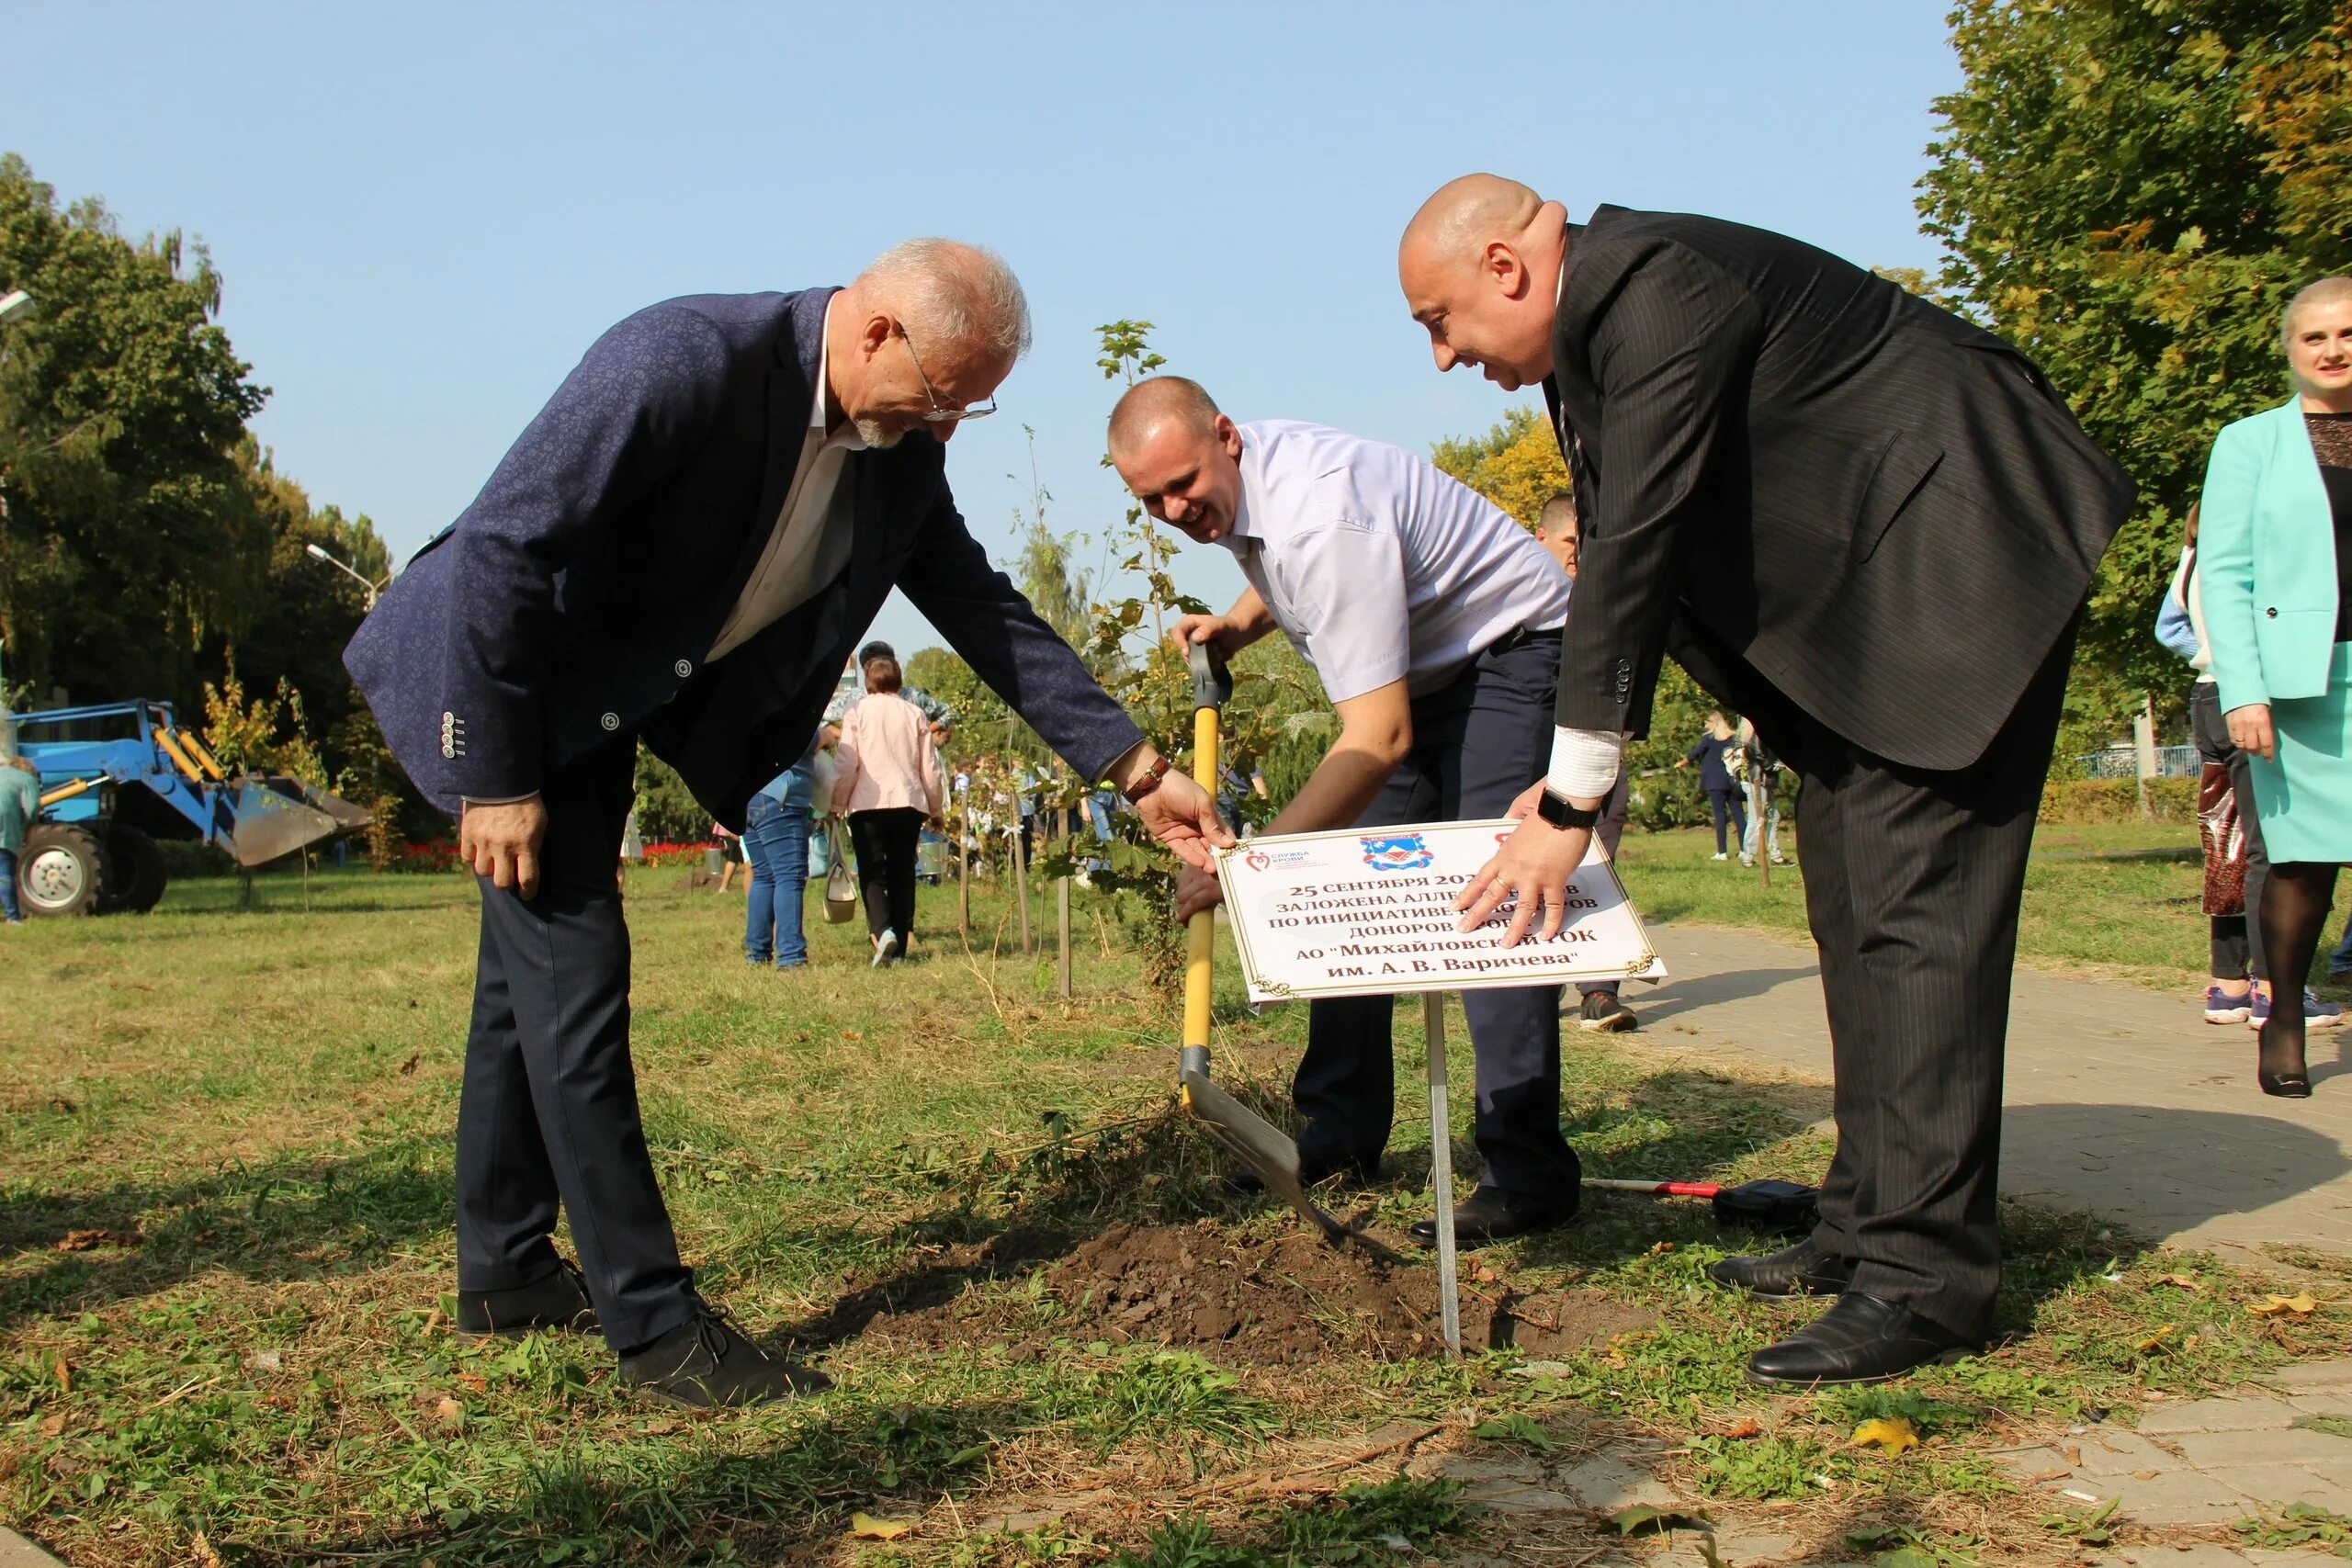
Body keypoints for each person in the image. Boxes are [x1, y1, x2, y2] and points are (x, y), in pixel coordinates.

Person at [344, 239, 1233, 1409]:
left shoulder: (898, 457)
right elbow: (509, 543)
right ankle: (657, 1335)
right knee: (575, 980)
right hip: (495, 682)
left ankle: (505, 1268)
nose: (949, 429)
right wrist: (499, 777)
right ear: (875, 334)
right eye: (942, 398)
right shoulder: (682, 359)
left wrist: (1134, 766)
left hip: (597, 706)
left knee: (525, 995)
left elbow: (983, 612)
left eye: (974, 408)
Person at [1397, 175, 2132, 1384]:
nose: (1439, 356)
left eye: (1440, 318)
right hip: (1874, 624)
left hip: (1959, 573)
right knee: (1855, 906)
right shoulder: (1596, 336)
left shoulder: (1647, 286)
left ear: (1507, 266)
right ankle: (1862, 1220)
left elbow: (1635, 543)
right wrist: (1560, 784)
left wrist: (1576, 800)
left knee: (1915, 919)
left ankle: (1925, 1278)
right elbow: (1636, 557)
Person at [1109, 376, 1584, 1246]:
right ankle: (1341, 1129)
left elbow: (1380, 734)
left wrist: (1250, 871)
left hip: (1510, 651)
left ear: (1226, 436)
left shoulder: (1321, 514)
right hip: (1426, 670)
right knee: (1348, 885)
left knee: (1495, 893)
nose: (1177, 508)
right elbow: (1287, 572)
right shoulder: (1255, 481)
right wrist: (1240, 626)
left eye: (1184, 484)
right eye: (1152, 498)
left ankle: (1527, 1172)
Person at [2200, 276, 2352, 1099]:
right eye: (2315, 337)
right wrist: (2244, 690)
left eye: (2348, 333)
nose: (2333, 350)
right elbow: (2223, 574)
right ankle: (2284, 1016)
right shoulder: (2250, 443)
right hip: (2303, 682)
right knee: (2304, 862)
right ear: (2291, 349)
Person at [1535, 492, 1635, 1032]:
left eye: (1587, 543)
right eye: (1571, 542)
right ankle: (1533, 986)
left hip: (1600, 759)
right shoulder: (1519, 602)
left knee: (1598, 864)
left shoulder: (1608, 601)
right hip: (1530, 756)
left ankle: (1599, 990)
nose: (1579, 555)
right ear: (1542, 540)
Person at [831, 654, 943, 964]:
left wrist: (836, 804)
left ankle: (883, 932)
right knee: (902, 872)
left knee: (872, 871)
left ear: (868, 682)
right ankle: (902, 949)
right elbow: (929, 767)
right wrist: (936, 809)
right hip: (908, 803)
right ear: (898, 680)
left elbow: (847, 763)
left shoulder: (857, 711)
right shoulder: (915, 713)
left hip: (868, 804)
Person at [742, 735, 820, 969]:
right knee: (790, 876)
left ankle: (757, 953)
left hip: (747, 797)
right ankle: (791, 955)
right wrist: (822, 736)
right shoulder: (787, 704)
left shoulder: (741, 703)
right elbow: (802, 736)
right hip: (780, 797)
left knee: (764, 876)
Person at [822, 639, 953, 746]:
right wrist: (848, 738)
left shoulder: (911, 696)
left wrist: (921, 734)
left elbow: (949, 713)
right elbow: (820, 718)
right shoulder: (855, 698)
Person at [1677, 712, 1747, 861]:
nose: (1705, 726)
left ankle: (1722, 852)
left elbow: (1694, 754)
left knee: (1720, 816)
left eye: (1706, 723)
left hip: (1715, 782)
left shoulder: (1708, 739)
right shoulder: (1734, 738)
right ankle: (1745, 850)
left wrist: (1681, 763)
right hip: (1732, 780)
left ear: (1713, 723)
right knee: (1739, 815)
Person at [1736, 716, 1790, 869]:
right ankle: (1748, 856)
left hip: (1763, 781)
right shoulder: (1756, 736)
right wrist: (1777, 766)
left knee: (1774, 816)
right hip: (1757, 780)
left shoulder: (1763, 735)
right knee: (1757, 819)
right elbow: (1760, 757)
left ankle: (1775, 854)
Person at [0, 756, 39, 925]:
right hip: (5, 827)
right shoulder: (28, 779)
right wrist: (25, 827)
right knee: (4, 873)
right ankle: (12, 917)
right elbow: (32, 808)